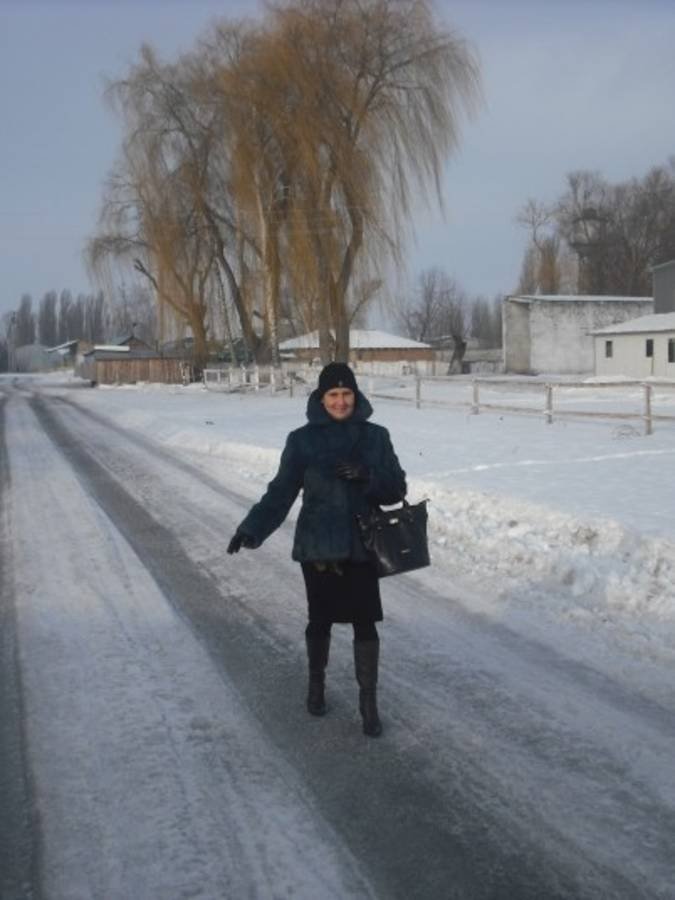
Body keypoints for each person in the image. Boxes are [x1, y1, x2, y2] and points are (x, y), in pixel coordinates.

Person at [227, 362, 407, 737]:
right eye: (333, 395)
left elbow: (396, 490)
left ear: (355, 396)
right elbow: (281, 492)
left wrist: (368, 476)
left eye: (346, 394)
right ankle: (316, 686)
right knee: (320, 619)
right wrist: (251, 528)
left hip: (361, 545)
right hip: (318, 546)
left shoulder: (376, 437)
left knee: (365, 622)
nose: (340, 402)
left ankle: (368, 703)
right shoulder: (302, 441)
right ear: (320, 397)